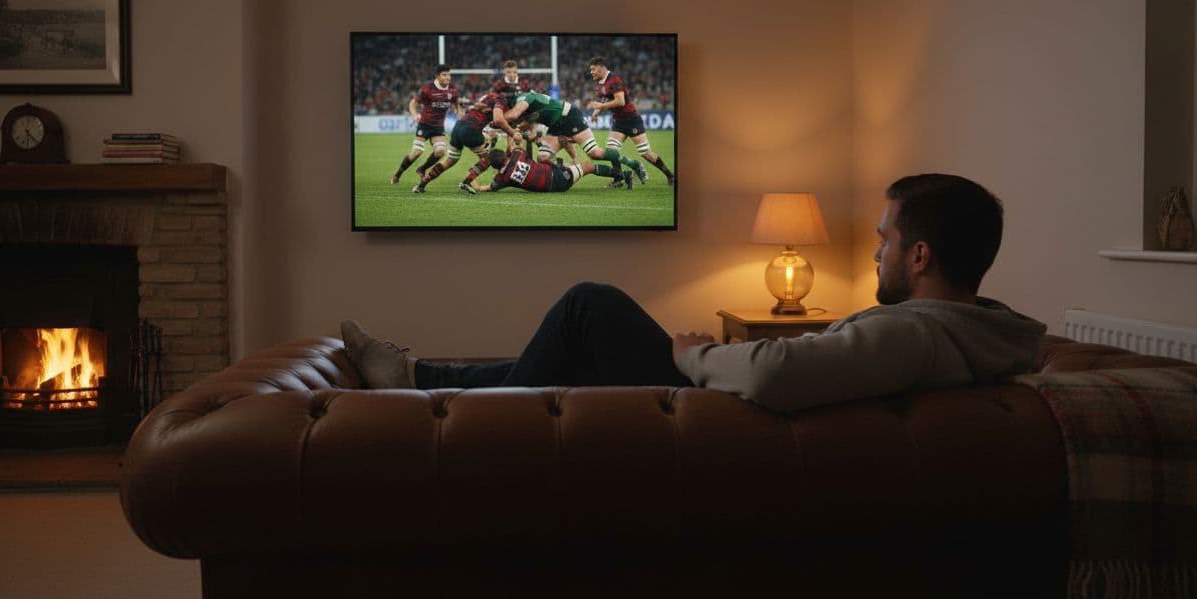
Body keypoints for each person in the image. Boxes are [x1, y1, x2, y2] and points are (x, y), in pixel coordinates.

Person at [340, 174, 1047, 414]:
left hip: (717, 412)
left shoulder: (915, 333)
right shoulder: (986, 328)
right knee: (580, 347)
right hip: (728, 400)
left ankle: (465, 427)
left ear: (919, 256)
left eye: (885, 240)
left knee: (590, 303)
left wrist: (695, 357)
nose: (873, 251)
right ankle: (416, 378)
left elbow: (772, 372)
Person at [494, 90, 645, 180]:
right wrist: (520, 133)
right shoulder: (526, 109)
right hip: (555, 125)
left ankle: (634, 164)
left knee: (595, 153)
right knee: (542, 158)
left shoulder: (523, 98)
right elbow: (531, 132)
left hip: (568, 116)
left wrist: (495, 121)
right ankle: (575, 170)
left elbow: (512, 116)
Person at [586, 56, 676, 187]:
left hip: (632, 120)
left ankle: (670, 175)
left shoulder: (614, 80)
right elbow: (606, 99)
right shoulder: (599, 85)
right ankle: (618, 179)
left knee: (645, 153)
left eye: (593, 69)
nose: (591, 72)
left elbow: (620, 101)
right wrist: (597, 112)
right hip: (618, 122)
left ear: (601, 67)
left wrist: (600, 107)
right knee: (612, 151)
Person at [412, 91, 512, 194]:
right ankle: (466, 182)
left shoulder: (487, 96)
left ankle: (421, 185)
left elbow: (479, 109)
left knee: (449, 161)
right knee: (487, 159)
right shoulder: (500, 100)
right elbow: (492, 118)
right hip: (471, 128)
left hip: (458, 126)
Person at [389, 65, 460, 184]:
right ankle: (398, 174)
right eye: (444, 75)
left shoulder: (452, 89)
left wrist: (457, 110)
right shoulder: (428, 89)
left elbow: (455, 102)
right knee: (417, 152)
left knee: (440, 151)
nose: (448, 77)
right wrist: (415, 114)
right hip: (425, 125)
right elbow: (413, 103)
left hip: (438, 127)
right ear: (437, 76)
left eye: (449, 75)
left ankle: (422, 169)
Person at [467, 147, 631, 194]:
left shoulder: (502, 178)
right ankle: (622, 175)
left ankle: (564, 164)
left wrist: (472, 176)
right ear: (505, 156)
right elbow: (516, 147)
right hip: (558, 179)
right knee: (588, 166)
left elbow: (483, 188)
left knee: (553, 162)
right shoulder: (516, 155)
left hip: (552, 183)